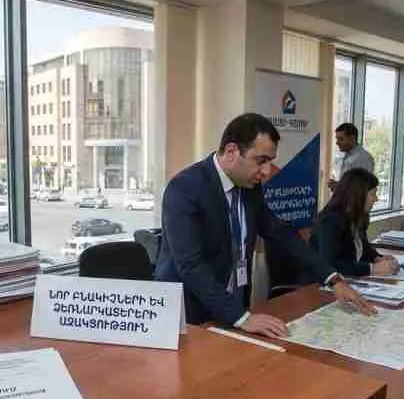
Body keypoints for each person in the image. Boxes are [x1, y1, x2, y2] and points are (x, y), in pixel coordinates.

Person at [156, 113, 375, 336]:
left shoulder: (249, 186)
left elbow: (278, 231)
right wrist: (240, 317)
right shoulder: (185, 188)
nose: (267, 171)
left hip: (231, 311)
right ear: (232, 152)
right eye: (261, 160)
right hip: (189, 316)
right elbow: (191, 266)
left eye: (270, 161)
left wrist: (333, 279)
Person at [311, 168, 398, 277]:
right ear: (358, 195)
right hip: (318, 288)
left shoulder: (357, 217)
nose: (376, 199)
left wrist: (377, 258)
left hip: (350, 282)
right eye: (373, 194)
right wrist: (372, 269)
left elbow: (364, 249)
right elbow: (331, 266)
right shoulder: (329, 221)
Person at [330, 123, 375, 191]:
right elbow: (351, 183)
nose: (337, 142)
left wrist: (338, 186)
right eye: (337, 139)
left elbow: (362, 188)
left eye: (341, 139)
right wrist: (338, 185)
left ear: (352, 138)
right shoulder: (349, 155)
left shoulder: (363, 158)